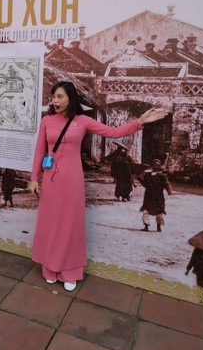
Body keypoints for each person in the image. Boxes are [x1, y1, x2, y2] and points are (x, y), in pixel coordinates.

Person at [28, 81, 168, 291]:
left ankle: (69, 271)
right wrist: (34, 178)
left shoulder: (83, 120)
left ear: (70, 98)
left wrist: (139, 122)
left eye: (59, 96)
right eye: (53, 97)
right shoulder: (47, 121)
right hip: (51, 179)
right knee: (50, 222)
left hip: (72, 180)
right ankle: (50, 268)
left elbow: (112, 132)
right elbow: (40, 151)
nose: (55, 101)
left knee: (70, 224)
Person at [140, 159, 172, 232]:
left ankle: (158, 227)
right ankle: (146, 226)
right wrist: (139, 178)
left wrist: (169, 191)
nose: (156, 166)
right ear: (152, 166)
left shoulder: (162, 176)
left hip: (158, 196)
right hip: (148, 195)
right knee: (146, 211)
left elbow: (166, 184)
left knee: (159, 212)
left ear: (160, 166)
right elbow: (145, 184)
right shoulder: (148, 175)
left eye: (158, 165)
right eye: (155, 165)